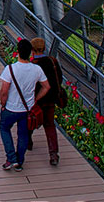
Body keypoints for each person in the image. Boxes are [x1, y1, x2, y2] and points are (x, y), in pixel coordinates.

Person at [0, 39, 50, 171]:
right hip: (27, 108)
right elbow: (46, 87)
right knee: (23, 135)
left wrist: (3, 104)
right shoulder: (36, 69)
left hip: (10, 107)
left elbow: (4, 91)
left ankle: (11, 158)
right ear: (31, 53)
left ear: (18, 52)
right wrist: (35, 99)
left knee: (4, 129)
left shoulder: (10, 69)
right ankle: (19, 161)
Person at [30, 37, 64, 166]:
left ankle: (28, 142)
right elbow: (59, 79)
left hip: (37, 100)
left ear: (32, 50)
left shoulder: (33, 65)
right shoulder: (53, 61)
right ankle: (53, 154)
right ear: (44, 48)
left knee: (31, 121)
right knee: (49, 125)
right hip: (51, 99)